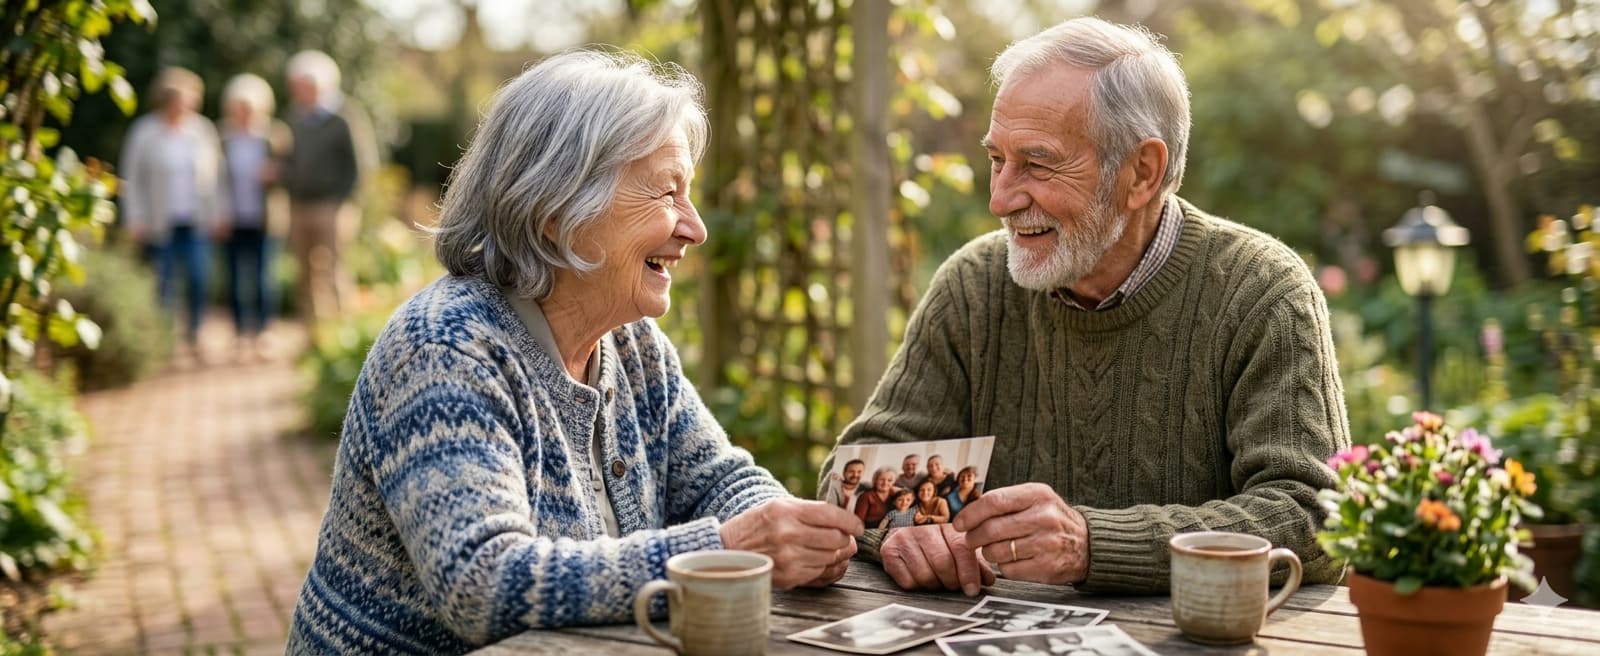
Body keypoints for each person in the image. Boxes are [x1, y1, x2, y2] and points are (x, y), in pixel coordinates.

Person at [288, 50, 862, 653]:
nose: (695, 228)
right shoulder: (444, 350)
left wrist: (787, 528)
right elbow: (483, 583)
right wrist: (724, 549)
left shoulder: (631, 341)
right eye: (668, 193)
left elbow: (717, 481)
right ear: (556, 212)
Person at [820, 16, 1349, 596]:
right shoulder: (974, 285)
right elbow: (854, 475)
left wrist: (1092, 543)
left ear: (1141, 172)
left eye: (1038, 163)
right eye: (997, 159)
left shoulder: (1263, 292)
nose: (999, 198)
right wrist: (901, 531)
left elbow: (1315, 517)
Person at [118, 66, 224, 358]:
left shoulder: (202, 130)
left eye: (190, 98)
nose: (185, 105)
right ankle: (166, 342)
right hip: (159, 221)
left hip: (196, 220)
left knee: (199, 278)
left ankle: (195, 334)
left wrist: (219, 213)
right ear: (165, 99)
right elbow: (132, 178)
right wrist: (134, 217)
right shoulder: (144, 132)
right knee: (164, 283)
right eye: (179, 99)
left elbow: (216, 177)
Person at [281, 49, 373, 326]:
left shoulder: (343, 116)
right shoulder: (293, 118)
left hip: (333, 205)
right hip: (299, 205)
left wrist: (346, 201)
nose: (295, 91)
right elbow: (290, 160)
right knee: (304, 273)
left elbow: (362, 164)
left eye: (300, 86)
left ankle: (342, 330)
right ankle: (312, 330)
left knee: (335, 268)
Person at [216, 73, 290, 360]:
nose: (244, 113)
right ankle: (238, 333)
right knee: (233, 277)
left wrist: (276, 173)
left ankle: (263, 332)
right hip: (232, 218)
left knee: (263, 277)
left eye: (249, 107)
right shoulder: (222, 137)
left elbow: (292, 171)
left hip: (264, 219)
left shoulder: (274, 135)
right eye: (239, 107)